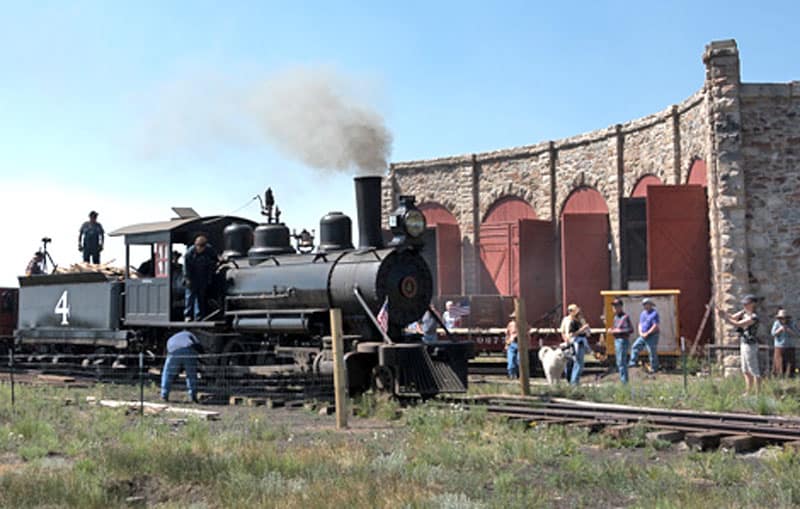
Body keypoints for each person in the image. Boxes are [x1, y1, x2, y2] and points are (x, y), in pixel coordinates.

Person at [720, 294, 761, 395]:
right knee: (745, 370)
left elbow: (738, 324)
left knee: (753, 370)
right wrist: (724, 313)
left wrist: (725, 319)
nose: (745, 305)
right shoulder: (744, 312)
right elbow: (733, 317)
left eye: (747, 303)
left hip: (751, 345)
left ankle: (758, 394)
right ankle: (748, 391)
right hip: (743, 343)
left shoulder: (754, 317)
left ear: (753, 304)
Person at [160, 330, 204, 403]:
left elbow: (167, 351)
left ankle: (164, 395)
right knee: (191, 374)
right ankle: (193, 396)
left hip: (173, 351)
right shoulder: (190, 334)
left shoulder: (172, 338)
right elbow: (198, 345)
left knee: (168, 373)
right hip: (188, 350)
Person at [183, 233, 218, 321]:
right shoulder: (189, 254)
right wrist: (187, 279)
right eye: (198, 247)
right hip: (191, 277)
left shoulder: (209, 250)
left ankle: (198, 316)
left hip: (203, 276)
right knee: (190, 296)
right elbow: (186, 268)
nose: (200, 249)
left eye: (202, 247)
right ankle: (188, 315)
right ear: (196, 245)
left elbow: (215, 258)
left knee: (200, 297)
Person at [561, 304, 591, 385]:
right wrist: (566, 339)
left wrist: (586, 329)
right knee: (570, 363)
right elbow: (564, 332)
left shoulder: (581, 321)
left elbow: (588, 333)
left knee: (578, 363)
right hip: (570, 343)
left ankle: (573, 381)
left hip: (578, 343)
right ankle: (571, 381)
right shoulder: (567, 320)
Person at [628, 298, 660, 373]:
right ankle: (632, 363)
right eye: (644, 305)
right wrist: (641, 333)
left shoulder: (654, 313)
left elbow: (655, 326)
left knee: (651, 351)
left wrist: (647, 333)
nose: (645, 306)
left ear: (650, 305)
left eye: (646, 304)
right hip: (643, 335)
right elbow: (640, 324)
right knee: (635, 346)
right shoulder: (643, 313)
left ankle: (654, 368)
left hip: (652, 335)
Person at [609, 298, 634, 383]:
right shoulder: (615, 317)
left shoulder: (625, 317)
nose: (614, 308)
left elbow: (630, 329)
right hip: (617, 340)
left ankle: (624, 382)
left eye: (616, 306)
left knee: (622, 362)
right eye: (613, 306)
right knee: (619, 362)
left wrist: (618, 331)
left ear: (621, 307)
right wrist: (612, 330)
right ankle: (623, 380)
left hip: (623, 340)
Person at [771, 308, 797, 378]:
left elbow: (797, 334)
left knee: (789, 363)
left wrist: (789, 330)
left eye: (785, 318)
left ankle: (790, 377)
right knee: (779, 363)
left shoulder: (792, 323)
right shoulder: (776, 323)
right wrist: (780, 330)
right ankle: (779, 377)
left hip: (790, 346)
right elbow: (773, 333)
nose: (783, 319)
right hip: (779, 347)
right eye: (781, 318)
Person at [505, 313, 519, 379]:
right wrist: (507, 343)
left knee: (518, 360)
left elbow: (527, 334)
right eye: (513, 318)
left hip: (519, 344)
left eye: (515, 317)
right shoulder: (511, 324)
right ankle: (511, 374)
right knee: (511, 360)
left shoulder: (523, 323)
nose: (514, 319)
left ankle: (516, 374)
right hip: (512, 343)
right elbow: (507, 334)